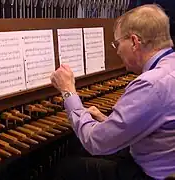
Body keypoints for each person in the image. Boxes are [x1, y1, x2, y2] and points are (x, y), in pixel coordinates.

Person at [50, 4, 175, 180]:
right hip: (164, 161)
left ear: (134, 42)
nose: (116, 50)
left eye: (117, 43)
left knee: (66, 167)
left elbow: (95, 142)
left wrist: (68, 90)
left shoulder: (150, 85)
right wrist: (108, 122)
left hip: (151, 174)